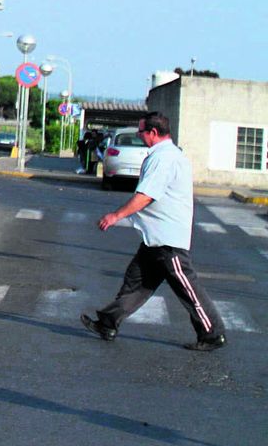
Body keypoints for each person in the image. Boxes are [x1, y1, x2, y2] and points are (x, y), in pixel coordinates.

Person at [81, 111, 227, 352]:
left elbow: (147, 195)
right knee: (136, 283)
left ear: (153, 133)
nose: (139, 135)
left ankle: (212, 332)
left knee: (186, 286)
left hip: (168, 238)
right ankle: (108, 322)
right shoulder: (165, 155)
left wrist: (116, 215)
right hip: (154, 237)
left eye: (141, 132)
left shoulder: (165, 158)